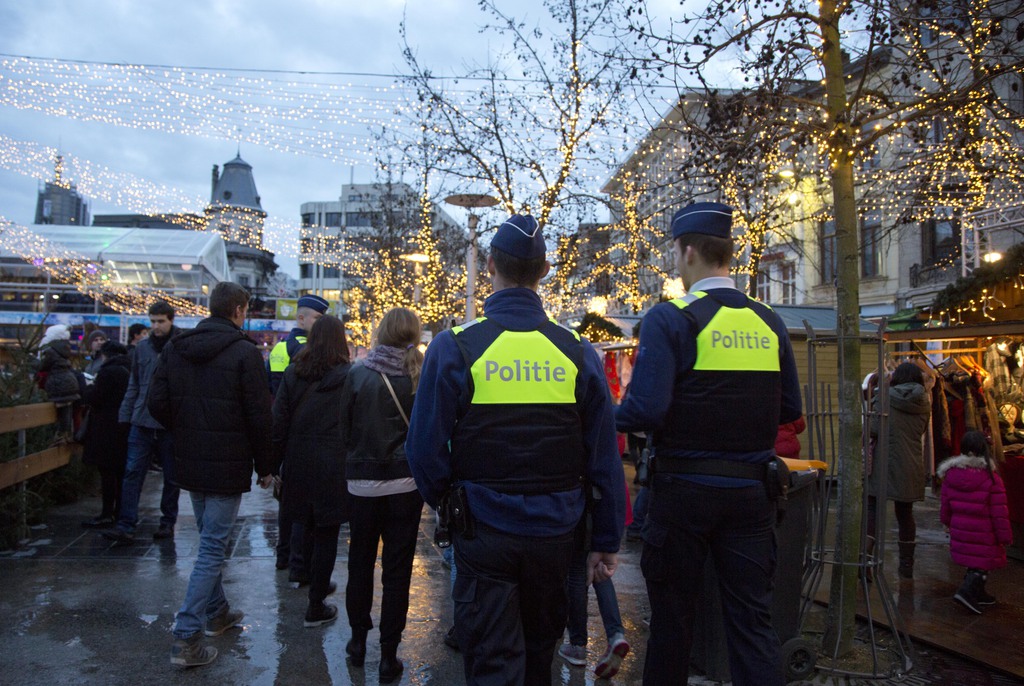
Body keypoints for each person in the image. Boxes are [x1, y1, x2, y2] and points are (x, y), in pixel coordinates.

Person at [406, 214, 625, 686]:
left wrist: (449, 502)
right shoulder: (578, 352)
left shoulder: (455, 347)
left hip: (483, 530)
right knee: (538, 659)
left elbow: (423, 450)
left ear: (489, 266)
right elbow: (604, 457)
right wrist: (605, 540)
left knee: (491, 662)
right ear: (544, 270)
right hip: (555, 534)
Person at [616, 201, 802, 686]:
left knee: (674, 624)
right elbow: (789, 409)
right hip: (751, 496)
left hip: (683, 494)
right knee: (751, 623)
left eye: (676, 253)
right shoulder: (769, 321)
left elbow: (646, 410)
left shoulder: (671, 318)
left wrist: (603, 416)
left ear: (689, 251)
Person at [149, 281, 275, 668]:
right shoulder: (245, 354)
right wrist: (266, 466)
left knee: (209, 540)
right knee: (212, 548)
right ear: (239, 310)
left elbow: (156, 402)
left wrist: (185, 429)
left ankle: (217, 612)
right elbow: (259, 416)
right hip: (226, 463)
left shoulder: (176, 348)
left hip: (189, 460)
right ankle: (187, 635)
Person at [342, 307, 424, 684]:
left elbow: (344, 429)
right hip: (406, 485)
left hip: (362, 484)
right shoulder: (420, 375)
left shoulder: (357, 373)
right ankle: (389, 655)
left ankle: (357, 642)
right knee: (397, 572)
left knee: (359, 564)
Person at [271, 314, 352, 629]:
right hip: (334, 463)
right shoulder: (349, 376)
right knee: (327, 532)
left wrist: (271, 466)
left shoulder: (293, 373)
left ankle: (301, 572)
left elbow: (278, 423)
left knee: (302, 522)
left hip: (299, 460)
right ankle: (317, 601)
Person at [104, 301, 181, 544]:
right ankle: (126, 523)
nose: (156, 326)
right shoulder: (142, 349)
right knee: (132, 472)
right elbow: (134, 384)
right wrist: (125, 416)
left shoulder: (179, 346)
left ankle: (167, 522)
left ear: (170, 320)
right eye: (153, 321)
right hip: (141, 421)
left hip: (169, 423)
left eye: (160, 321)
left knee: (172, 476)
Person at [267, 293, 330, 577]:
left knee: (287, 500)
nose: (320, 324)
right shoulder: (312, 350)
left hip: (288, 437)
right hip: (306, 437)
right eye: (317, 318)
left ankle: (283, 555)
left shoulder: (280, 348)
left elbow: (274, 397)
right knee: (302, 506)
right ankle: (297, 561)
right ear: (301, 318)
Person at [559, 475, 632, 679]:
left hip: (576, 497)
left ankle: (577, 644)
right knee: (600, 567)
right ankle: (615, 634)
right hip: (602, 502)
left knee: (576, 570)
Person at [868, 361, 932, 579]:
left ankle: (866, 562)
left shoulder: (884, 397)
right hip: (911, 462)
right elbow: (921, 430)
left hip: (884, 461)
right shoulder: (924, 401)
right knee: (905, 514)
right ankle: (906, 565)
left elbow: (874, 429)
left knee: (872, 509)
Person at [937, 430, 1013, 614]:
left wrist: (947, 522)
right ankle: (966, 592)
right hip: (984, 533)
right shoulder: (992, 479)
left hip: (961, 530)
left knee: (974, 561)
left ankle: (978, 592)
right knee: (981, 564)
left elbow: (945, 504)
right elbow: (999, 513)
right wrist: (1005, 536)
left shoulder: (951, 475)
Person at [80, 341, 131, 529]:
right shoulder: (129, 369)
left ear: (105, 355)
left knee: (107, 473)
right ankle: (120, 512)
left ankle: (106, 513)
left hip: (105, 428)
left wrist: (89, 386)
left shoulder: (108, 371)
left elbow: (94, 397)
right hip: (123, 426)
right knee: (120, 473)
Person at [35, 324, 83, 439]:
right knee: (66, 408)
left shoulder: (50, 351)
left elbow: (42, 366)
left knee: (62, 410)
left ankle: (62, 434)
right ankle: (66, 433)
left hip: (59, 384)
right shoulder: (63, 348)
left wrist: (31, 362)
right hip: (69, 382)